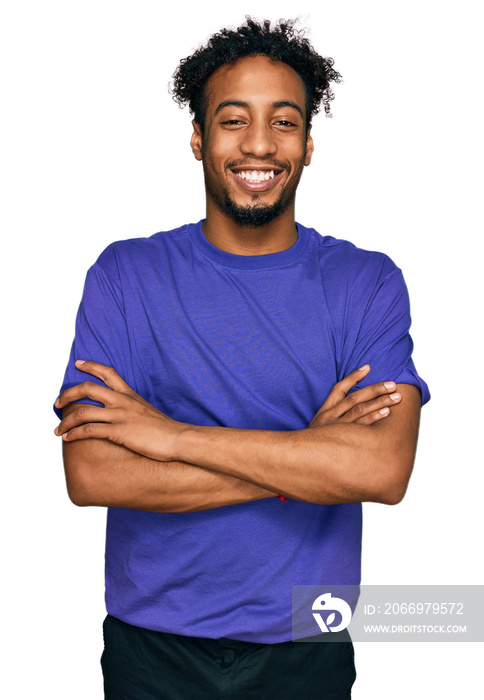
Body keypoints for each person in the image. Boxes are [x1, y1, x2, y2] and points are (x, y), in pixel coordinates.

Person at [54, 17, 429, 700]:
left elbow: (381, 467)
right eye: (234, 120)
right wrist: (310, 456)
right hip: (152, 640)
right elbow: (91, 471)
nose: (259, 144)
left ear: (309, 144)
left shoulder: (364, 283)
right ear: (199, 137)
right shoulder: (126, 276)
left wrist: (169, 439)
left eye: (284, 122)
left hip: (307, 635)